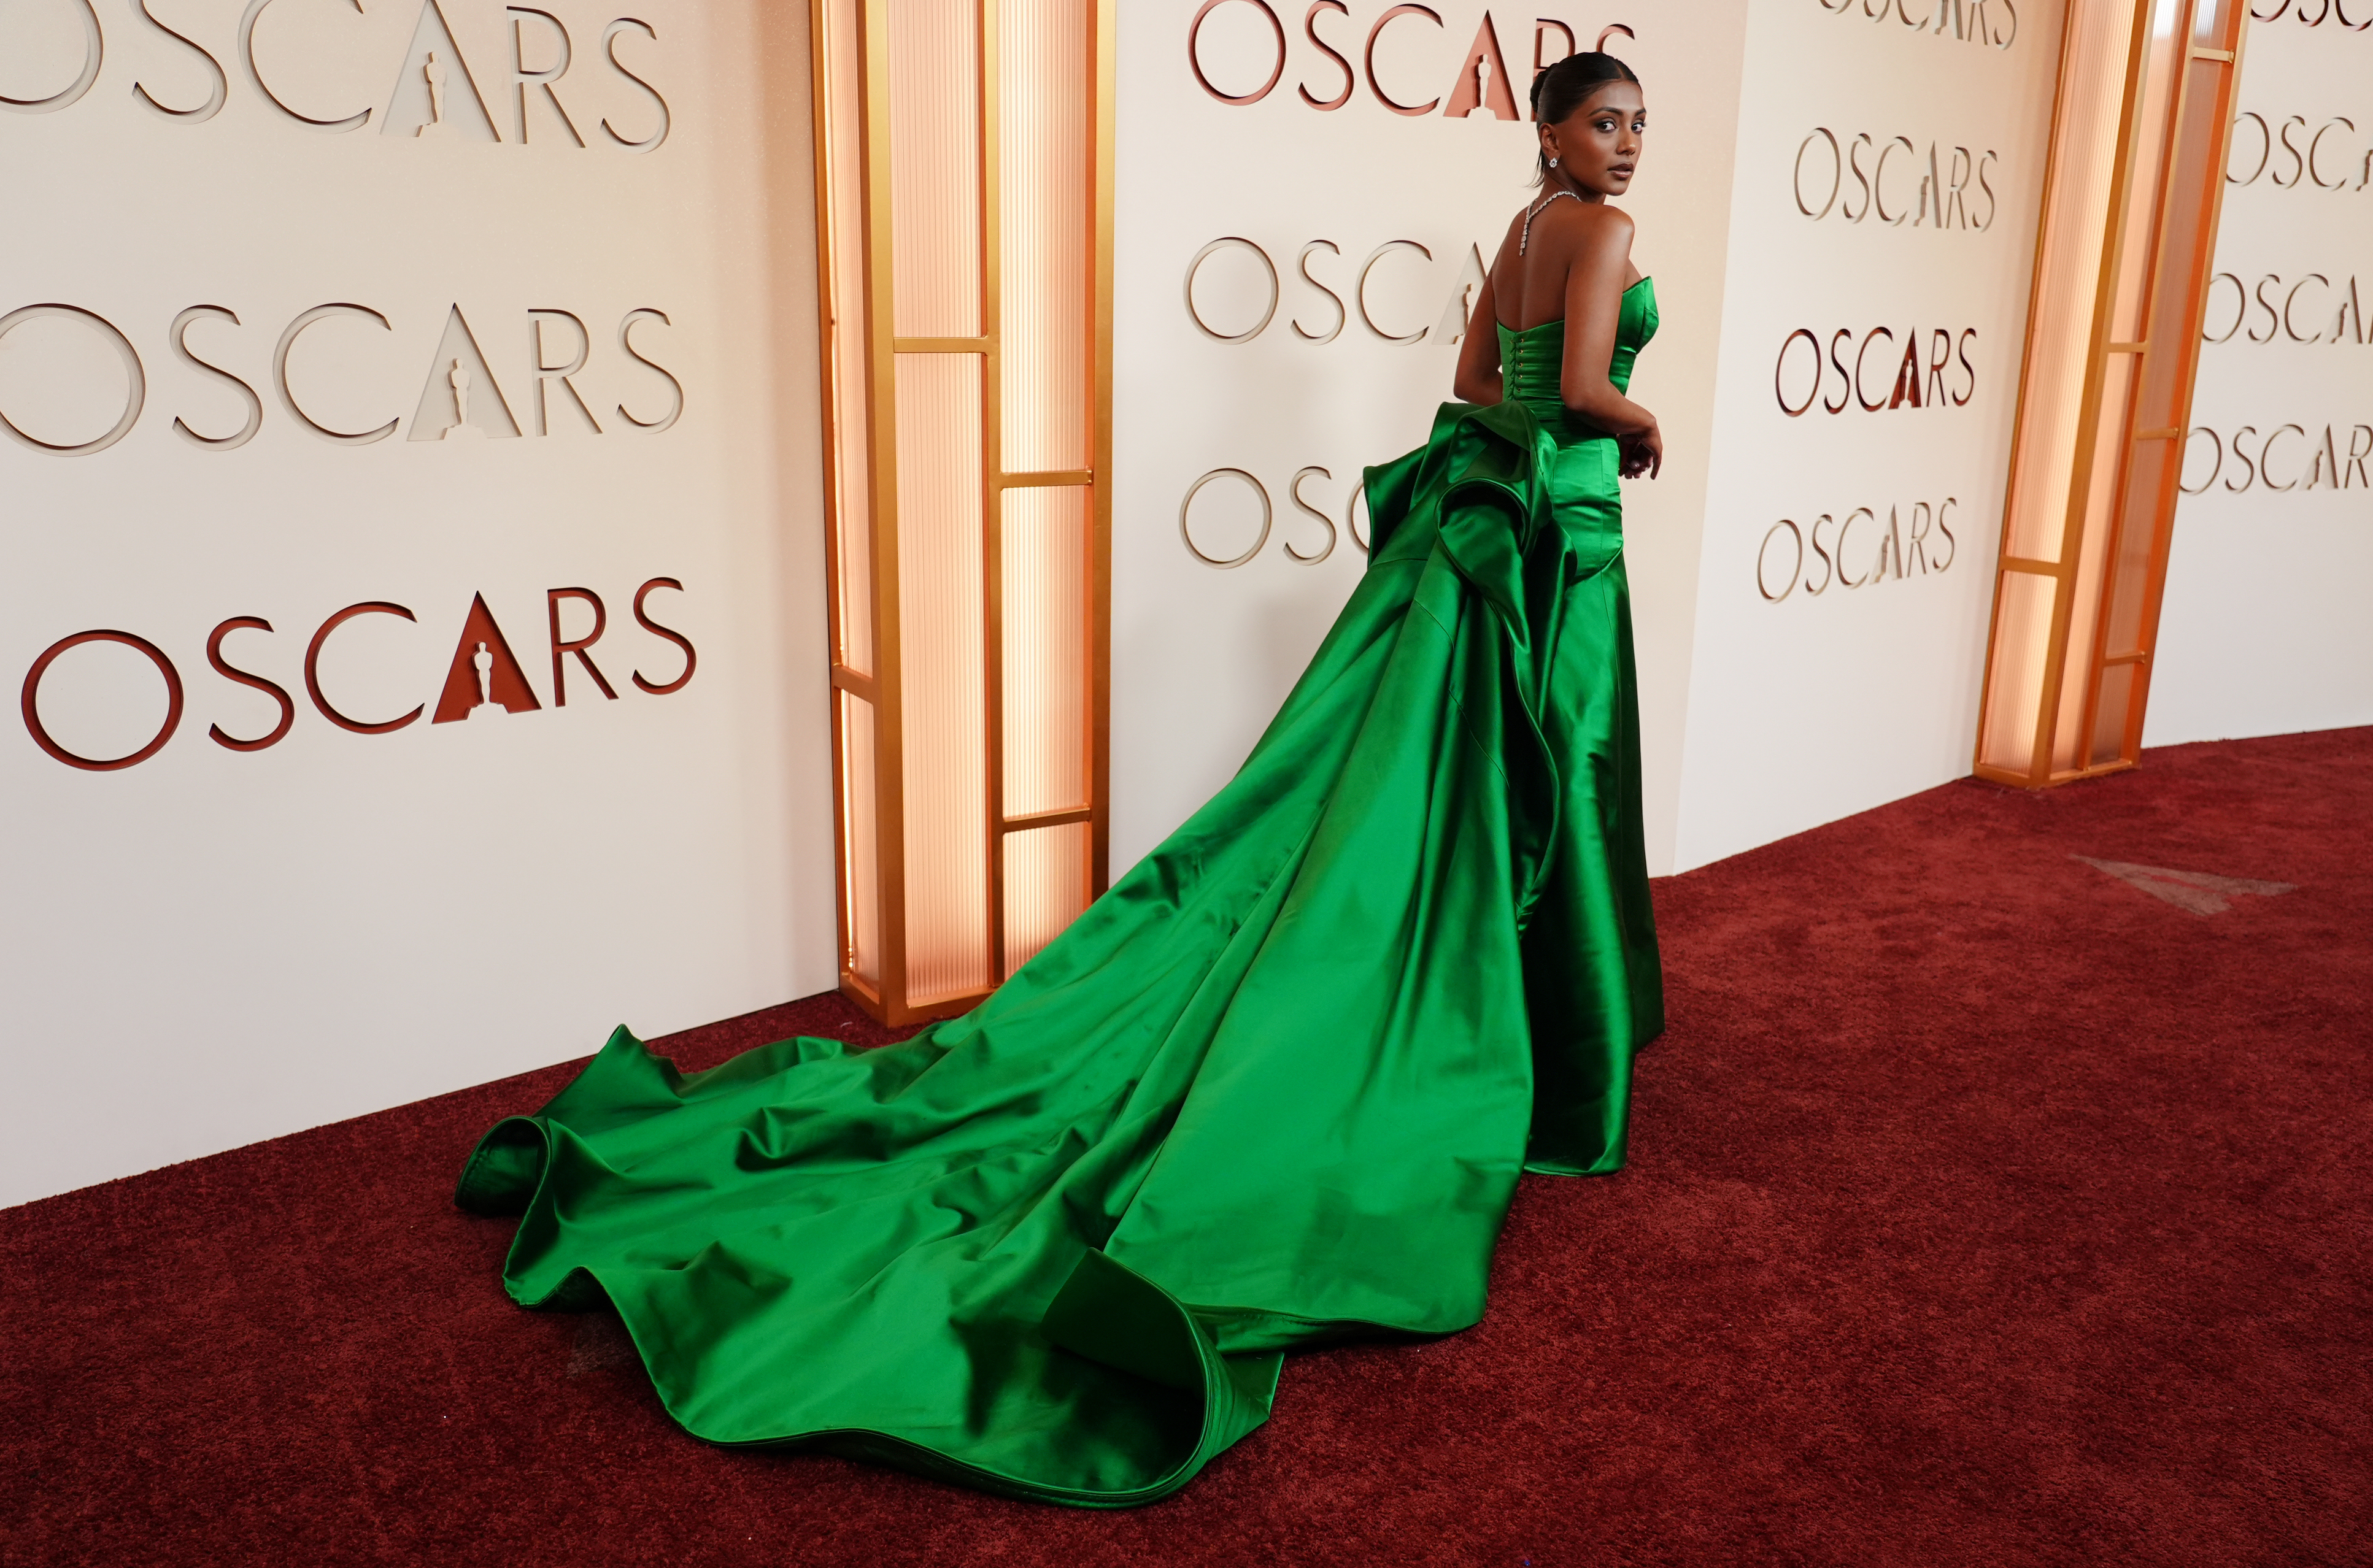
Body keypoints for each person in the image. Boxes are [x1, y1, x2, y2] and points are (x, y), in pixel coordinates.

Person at [457, 52, 1664, 1508]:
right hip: (1558, 540)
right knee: (1525, 795)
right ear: (1548, 129)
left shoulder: (1525, 231)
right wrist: (1636, 424)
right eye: (1604, 120)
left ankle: (1488, 1030)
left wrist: (1542, 425)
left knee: (1422, 809)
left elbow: (1478, 381)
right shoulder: (1596, 234)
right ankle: (1537, 1069)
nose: (1626, 145)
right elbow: (1586, 387)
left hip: (1480, 520)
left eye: (1636, 124)